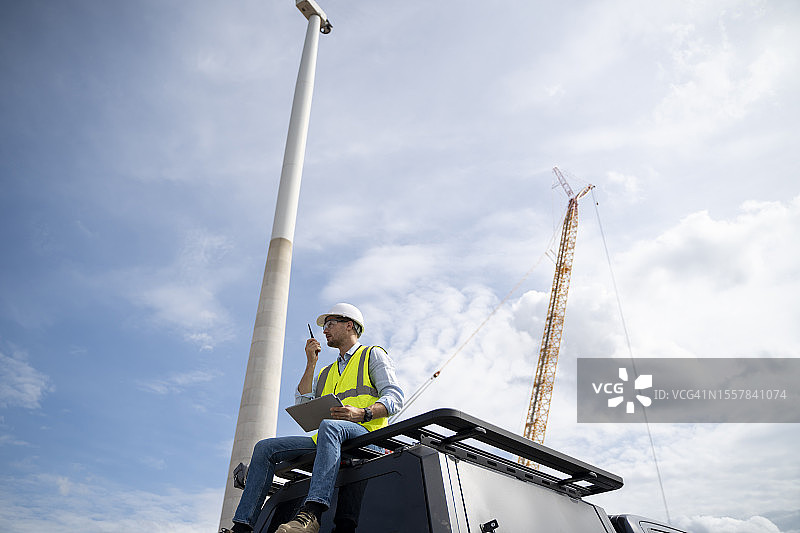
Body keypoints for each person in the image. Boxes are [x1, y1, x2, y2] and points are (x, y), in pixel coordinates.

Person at [226, 303, 404, 533]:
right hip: (329, 438)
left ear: (349, 325)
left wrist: (362, 413)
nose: (325, 330)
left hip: (366, 435)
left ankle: (312, 513)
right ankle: (242, 527)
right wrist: (311, 363)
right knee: (264, 448)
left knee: (330, 427)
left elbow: (395, 397)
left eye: (330, 324)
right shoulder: (325, 372)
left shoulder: (372, 355)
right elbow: (302, 404)